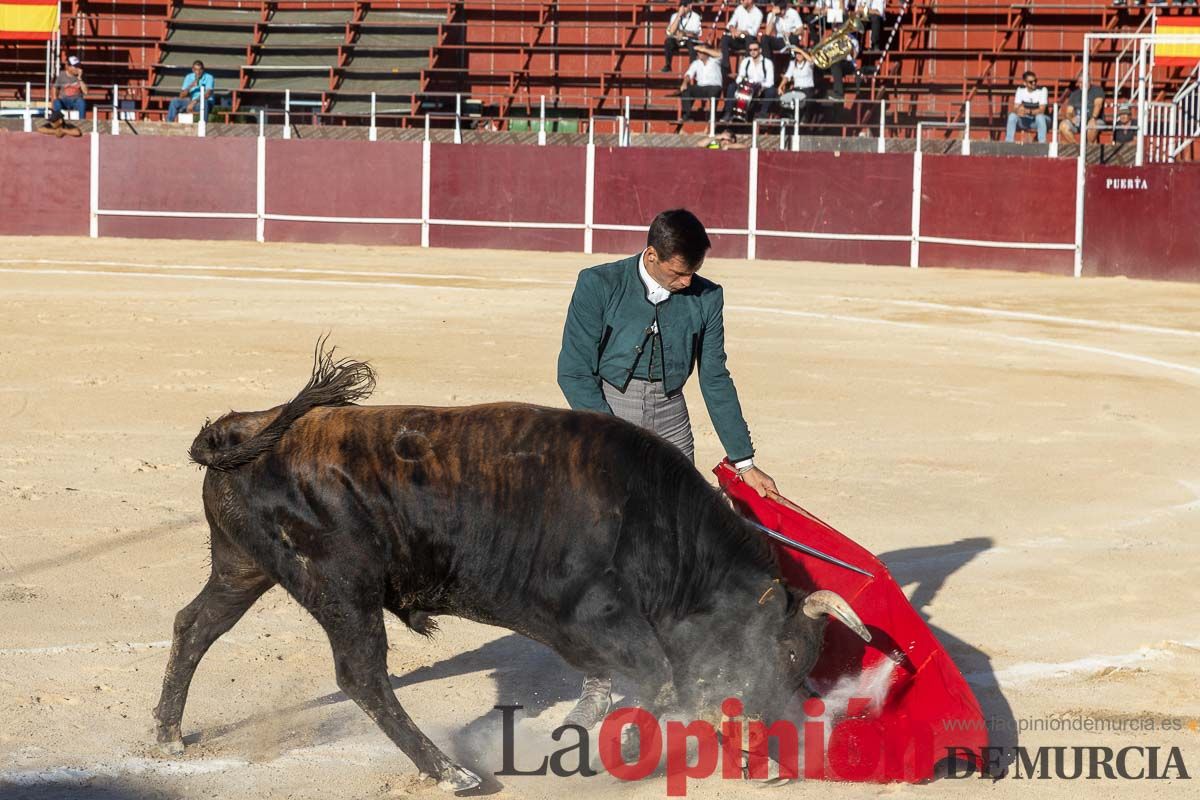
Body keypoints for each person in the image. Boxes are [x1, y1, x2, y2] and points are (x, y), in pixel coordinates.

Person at [557, 208, 779, 730]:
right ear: (650, 255)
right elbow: (573, 370)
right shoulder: (599, 284)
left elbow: (715, 377)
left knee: (676, 544)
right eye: (678, 273)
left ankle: (678, 668)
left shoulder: (707, 295)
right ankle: (597, 683)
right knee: (604, 551)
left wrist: (743, 459)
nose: (686, 283)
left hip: (670, 417)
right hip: (604, 414)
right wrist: (610, 439)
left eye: (692, 274)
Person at [721, 40, 777, 121]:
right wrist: (744, 83)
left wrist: (761, 87)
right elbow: (740, 77)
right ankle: (728, 112)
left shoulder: (768, 63)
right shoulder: (746, 61)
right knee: (732, 87)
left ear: (760, 50)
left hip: (761, 88)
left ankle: (763, 114)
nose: (752, 52)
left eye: (755, 49)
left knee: (771, 91)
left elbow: (770, 82)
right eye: (750, 50)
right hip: (747, 86)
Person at [1004, 71, 1049, 143]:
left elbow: (1042, 110)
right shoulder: (1020, 90)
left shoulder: (1042, 90)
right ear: (1025, 83)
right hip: (1026, 119)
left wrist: (1027, 111)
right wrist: (1018, 111)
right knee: (1012, 116)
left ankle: (1042, 143)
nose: (1034, 83)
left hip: (1041, 121)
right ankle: (1009, 142)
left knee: (1040, 117)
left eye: (1035, 81)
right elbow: (1015, 108)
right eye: (1031, 82)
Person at [679, 46, 725, 115]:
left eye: (701, 52)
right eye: (698, 52)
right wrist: (684, 83)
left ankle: (712, 116)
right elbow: (689, 74)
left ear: (706, 53)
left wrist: (703, 49)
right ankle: (686, 115)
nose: (698, 53)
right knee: (686, 90)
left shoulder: (714, 60)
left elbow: (720, 54)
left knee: (713, 92)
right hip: (701, 87)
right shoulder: (696, 63)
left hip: (714, 86)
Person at [663, 0, 704, 72]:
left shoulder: (696, 17)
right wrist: (678, 16)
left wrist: (683, 33)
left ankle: (692, 68)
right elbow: (670, 31)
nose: (682, 8)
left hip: (689, 39)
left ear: (690, 6)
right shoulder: (675, 15)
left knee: (692, 46)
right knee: (668, 42)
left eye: (684, 6)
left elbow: (695, 33)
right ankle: (668, 65)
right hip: (678, 39)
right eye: (681, 6)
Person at [721, 0, 764, 67]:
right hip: (738, 37)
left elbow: (754, 31)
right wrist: (733, 30)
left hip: (749, 39)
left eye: (743, 0)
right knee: (725, 38)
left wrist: (742, 32)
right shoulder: (739, 9)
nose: (741, 1)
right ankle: (725, 65)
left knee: (749, 39)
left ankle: (746, 66)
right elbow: (730, 23)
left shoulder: (758, 13)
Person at [778, 48, 815, 117]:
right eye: (797, 54)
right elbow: (787, 76)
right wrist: (780, 86)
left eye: (800, 54)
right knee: (784, 99)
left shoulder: (808, 63)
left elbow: (811, 60)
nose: (799, 55)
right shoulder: (792, 63)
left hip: (807, 89)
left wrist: (800, 50)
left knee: (807, 103)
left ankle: (805, 120)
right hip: (796, 89)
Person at [52, 56, 88, 120]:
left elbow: (86, 92)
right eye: (75, 66)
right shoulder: (62, 75)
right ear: (68, 66)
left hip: (76, 100)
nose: (78, 68)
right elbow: (55, 87)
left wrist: (80, 78)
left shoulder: (82, 76)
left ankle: (82, 122)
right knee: (56, 103)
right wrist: (55, 98)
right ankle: (57, 122)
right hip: (63, 100)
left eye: (79, 66)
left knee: (81, 103)